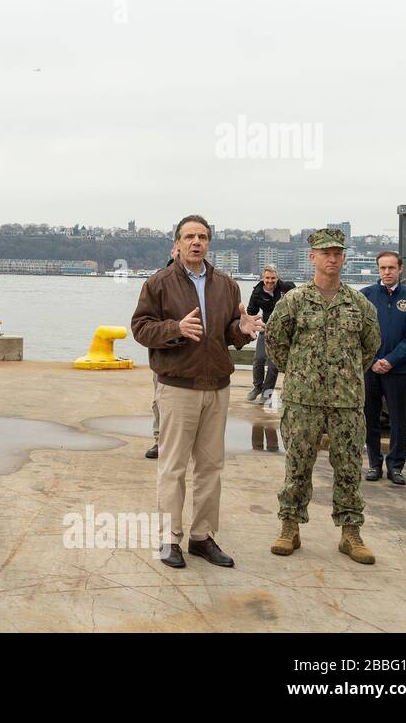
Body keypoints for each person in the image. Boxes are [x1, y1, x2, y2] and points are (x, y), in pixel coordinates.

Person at [132, 215, 262, 568]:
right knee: (172, 466)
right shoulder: (158, 283)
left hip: (217, 387)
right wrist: (176, 327)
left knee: (210, 467)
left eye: (202, 237)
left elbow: (228, 333)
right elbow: (140, 328)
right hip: (177, 386)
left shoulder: (226, 285)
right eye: (189, 236)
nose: (196, 242)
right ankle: (169, 539)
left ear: (209, 243)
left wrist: (243, 329)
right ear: (177, 243)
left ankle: (202, 537)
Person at [265, 228, 382, 564]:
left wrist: (342, 375)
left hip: (346, 402)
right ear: (312, 257)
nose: (332, 258)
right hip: (303, 400)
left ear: (343, 258)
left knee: (348, 468)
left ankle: (350, 533)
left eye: (337, 253)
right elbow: (275, 342)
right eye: (325, 253)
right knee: (297, 465)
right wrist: (302, 372)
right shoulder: (294, 301)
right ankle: (289, 527)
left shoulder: (359, 304)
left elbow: (370, 346)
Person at [361, 252, 406, 486]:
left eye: (391, 268)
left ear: (400, 269)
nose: (386, 272)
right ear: (378, 270)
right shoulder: (366, 295)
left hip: (399, 369)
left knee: (399, 419)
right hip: (370, 367)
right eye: (382, 268)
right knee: (371, 416)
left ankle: (396, 466)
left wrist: (391, 360)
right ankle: (374, 464)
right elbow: (359, 333)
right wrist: (375, 359)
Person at [145, 246, 180, 459]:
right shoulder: (157, 282)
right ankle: (159, 440)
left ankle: (180, 444)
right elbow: (145, 323)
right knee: (159, 400)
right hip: (164, 353)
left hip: (190, 355)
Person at [246, 265, 295, 403]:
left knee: (273, 365)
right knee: (259, 359)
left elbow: (298, 298)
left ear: (277, 278)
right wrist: (250, 323)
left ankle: (266, 394)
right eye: (267, 278)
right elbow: (251, 312)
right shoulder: (257, 292)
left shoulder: (286, 287)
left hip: (283, 332)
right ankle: (257, 387)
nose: (270, 281)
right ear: (263, 278)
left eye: (273, 278)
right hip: (266, 328)